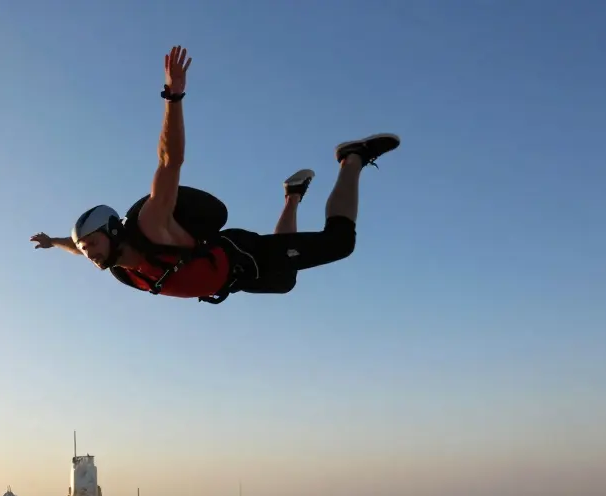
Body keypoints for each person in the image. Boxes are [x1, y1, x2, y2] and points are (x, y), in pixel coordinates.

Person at [29, 45, 400, 304]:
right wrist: (55, 242)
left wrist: (173, 98)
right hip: (234, 281)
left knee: (340, 244)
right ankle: (293, 195)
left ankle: (351, 159)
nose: (89, 253)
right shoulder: (120, 268)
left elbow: (169, 162)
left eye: (91, 243)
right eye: (85, 248)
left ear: (112, 231)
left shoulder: (151, 224)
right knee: (286, 278)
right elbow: (78, 249)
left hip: (242, 254)